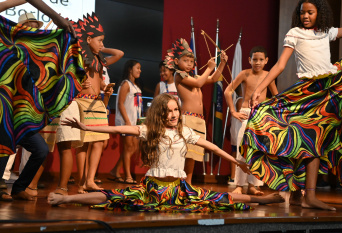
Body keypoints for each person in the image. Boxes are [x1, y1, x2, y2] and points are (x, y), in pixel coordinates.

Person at [47, 93, 285, 211]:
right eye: (169, 111)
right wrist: (86, 126)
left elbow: (211, 146)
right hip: (153, 188)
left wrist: (236, 161)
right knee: (114, 197)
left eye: (176, 110)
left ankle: (263, 198)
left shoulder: (185, 132)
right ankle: (67, 198)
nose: (173, 115)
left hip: (179, 189)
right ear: (160, 113)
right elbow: (118, 127)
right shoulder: (149, 129)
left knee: (219, 198)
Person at [242, 0, 342, 211]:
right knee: (302, 141)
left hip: (326, 91)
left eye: (310, 12)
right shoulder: (294, 33)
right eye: (302, 13)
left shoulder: (327, 32)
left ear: (320, 13)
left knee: (313, 141)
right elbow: (280, 65)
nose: (306, 16)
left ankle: (305, 196)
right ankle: (302, 195)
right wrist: (259, 89)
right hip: (305, 93)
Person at [0, 0, 85, 201]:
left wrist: (57, 19)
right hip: (4, 112)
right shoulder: (6, 38)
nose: (32, 29)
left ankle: (19, 188)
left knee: (40, 149)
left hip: (18, 113)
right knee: (4, 141)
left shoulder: (26, 49)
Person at [54, 13, 124, 195]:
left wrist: (104, 87)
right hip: (82, 102)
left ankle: (90, 179)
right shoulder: (81, 57)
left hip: (97, 103)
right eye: (100, 41)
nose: (102, 44)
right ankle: (81, 182)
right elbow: (73, 76)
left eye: (103, 41)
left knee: (99, 141)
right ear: (88, 39)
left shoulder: (99, 60)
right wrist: (80, 83)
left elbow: (117, 56)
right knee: (83, 143)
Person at [165, 38, 226, 184]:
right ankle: (177, 181)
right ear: (177, 62)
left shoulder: (195, 76)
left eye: (191, 62)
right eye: (185, 60)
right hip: (188, 118)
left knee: (193, 154)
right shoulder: (178, 75)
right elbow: (200, 82)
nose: (189, 64)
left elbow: (213, 78)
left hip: (199, 120)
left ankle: (188, 182)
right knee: (185, 152)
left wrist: (222, 63)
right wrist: (210, 67)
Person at [224, 46, 278, 194]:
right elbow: (228, 91)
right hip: (246, 114)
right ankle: (239, 185)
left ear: (266, 61)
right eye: (255, 59)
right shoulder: (244, 74)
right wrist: (233, 111)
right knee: (243, 148)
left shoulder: (269, 75)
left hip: (261, 115)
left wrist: (271, 114)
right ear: (249, 60)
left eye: (261, 59)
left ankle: (254, 185)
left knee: (258, 150)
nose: (258, 62)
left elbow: (276, 97)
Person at [109, 60, 142, 184]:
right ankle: (128, 176)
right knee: (128, 148)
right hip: (127, 122)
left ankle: (115, 170)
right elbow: (120, 103)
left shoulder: (135, 86)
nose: (140, 70)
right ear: (130, 69)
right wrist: (127, 121)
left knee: (134, 147)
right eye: (137, 68)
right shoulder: (125, 84)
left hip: (135, 122)